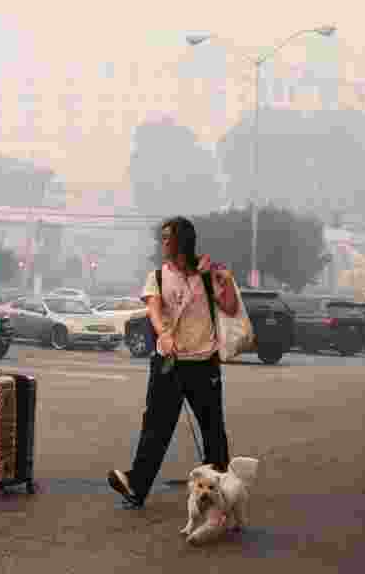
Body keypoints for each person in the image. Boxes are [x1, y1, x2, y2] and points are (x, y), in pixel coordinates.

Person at [107, 216, 240, 508]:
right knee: (155, 427)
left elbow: (229, 307)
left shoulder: (206, 275)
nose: (163, 242)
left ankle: (221, 491)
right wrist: (163, 334)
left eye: (168, 237)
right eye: (162, 237)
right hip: (168, 363)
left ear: (182, 240)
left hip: (204, 364)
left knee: (213, 430)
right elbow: (154, 310)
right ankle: (136, 485)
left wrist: (226, 280)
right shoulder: (156, 276)